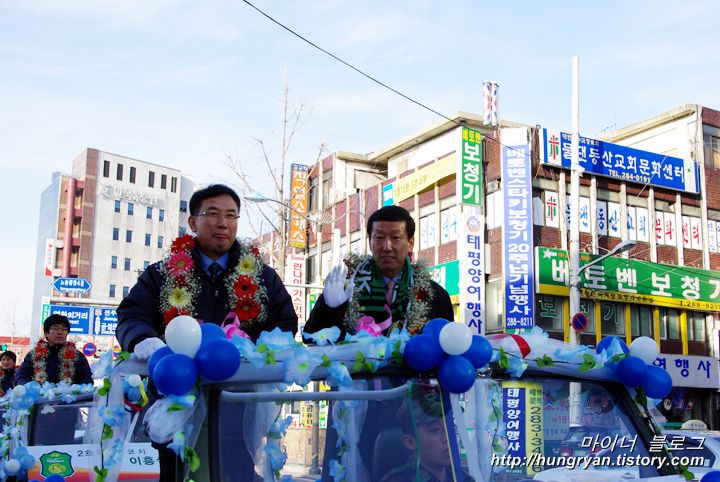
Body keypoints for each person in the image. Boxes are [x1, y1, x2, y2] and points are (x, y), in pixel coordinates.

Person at [116, 183, 298, 482]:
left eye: (231, 215)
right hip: (175, 401)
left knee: (236, 474)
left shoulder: (262, 277)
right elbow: (131, 314)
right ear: (192, 222)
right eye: (212, 213)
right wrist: (141, 338)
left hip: (237, 408)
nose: (223, 223)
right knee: (177, 475)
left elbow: (285, 324)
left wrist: (255, 352)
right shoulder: (162, 274)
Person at [382, 385, 474, 482]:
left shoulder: (463, 478)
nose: (447, 438)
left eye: (451, 428)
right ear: (410, 442)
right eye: (435, 430)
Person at [15, 314, 93, 385]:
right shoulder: (33, 355)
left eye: (64, 329)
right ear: (46, 333)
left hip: (68, 395)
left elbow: (87, 379)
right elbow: (21, 376)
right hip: (40, 395)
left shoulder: (77, 356)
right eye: (55, 328)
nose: (60, 332)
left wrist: (76, 390)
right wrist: (29, 387)